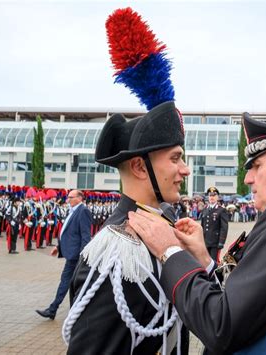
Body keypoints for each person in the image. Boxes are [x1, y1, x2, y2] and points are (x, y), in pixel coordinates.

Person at [128, 112, 266, 354]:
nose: (248, 178)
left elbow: (222, 325)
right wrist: (204, 260)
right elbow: (253, 300)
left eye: (256, 166)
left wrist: (170, 252)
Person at [62, 7, 190, 354]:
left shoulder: (161, 231)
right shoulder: (115, 255)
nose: (186, 170)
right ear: (138, 167)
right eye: (176, 159)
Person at [35, 189, 91, 320]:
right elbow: (68, 232)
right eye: (68, 197)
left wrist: (83, 256)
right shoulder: (72, 210)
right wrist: (58, 246)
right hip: (71, 253)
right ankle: (57, 309)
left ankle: (59, 309)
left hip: (76, 255)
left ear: (79, 198)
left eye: (71, 197)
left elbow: (85, 236)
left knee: (71, 282)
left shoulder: (83, 211)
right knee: (68, 282)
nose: (68, 199)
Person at [201, 186, 229, 262]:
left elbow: (224, 227)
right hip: (205, 241)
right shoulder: (205, 210)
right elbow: (202, 227)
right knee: (205, 262)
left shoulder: (221, 210)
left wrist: (221, 241)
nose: (212, 197)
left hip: (215, 242)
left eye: (214, 195)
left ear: (217, 197)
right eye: (210, 195)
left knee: (214, 262)